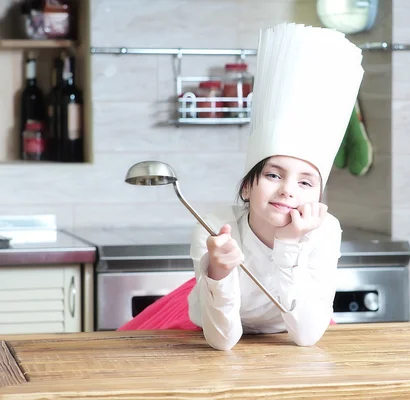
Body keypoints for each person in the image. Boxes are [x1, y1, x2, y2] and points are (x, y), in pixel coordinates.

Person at [118, 22, 364, 351]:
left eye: (305, 182)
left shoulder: (325, 230)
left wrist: (289, 244)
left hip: (292, 324)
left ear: (318, 196)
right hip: (208, 321)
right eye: (273, 175)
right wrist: (218, 271)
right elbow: (223, 340)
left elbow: (305, 336)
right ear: (247, 187)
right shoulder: (214, 226)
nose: (288, 190)